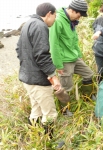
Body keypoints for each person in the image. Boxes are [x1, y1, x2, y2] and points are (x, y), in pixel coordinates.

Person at [15, 3, 60, 139]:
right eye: (55, 16)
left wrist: (28, 65)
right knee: (50, 114)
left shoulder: (28, 23)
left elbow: (18, 49)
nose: (54, 19)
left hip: (27, 78)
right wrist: (53, 76)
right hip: (38, 81)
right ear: (48, 14)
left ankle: (35, 140)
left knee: (36, 110)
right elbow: (42, 55)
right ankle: (49, 143)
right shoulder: (41, 26)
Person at [49, 0, 95, 115]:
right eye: (79, 15)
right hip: (64, 60)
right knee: (66, 86)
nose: (80, 18)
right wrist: (58, 65)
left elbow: (74, 41)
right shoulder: (58, 21)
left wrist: (79, 56)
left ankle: (87, 97)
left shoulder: (71, 20)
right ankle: (65, 110)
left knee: (89, 74)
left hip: (74, 57)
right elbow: (53, 44)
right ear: (73, 11)